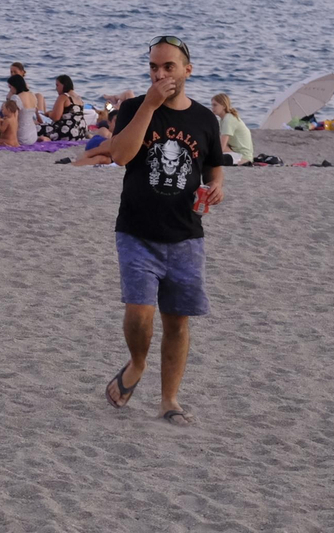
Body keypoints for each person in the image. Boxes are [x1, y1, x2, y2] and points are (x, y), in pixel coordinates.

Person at [102, 36, 225, 427]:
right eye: (153, 67)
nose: (159, 74)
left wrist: (217, 186)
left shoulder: (205, 119)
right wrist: (150, 105)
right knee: (139, 314)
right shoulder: (135, 109)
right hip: (137, 230)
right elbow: (120, 156)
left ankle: (169, 400)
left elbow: (213, 167)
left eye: (168, 67)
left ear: (187, 70)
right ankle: (137, 362)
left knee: (176, 321)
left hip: (186, 236)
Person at [41, 75, 89, 141]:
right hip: (81, 132)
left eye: (57, 85)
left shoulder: (63, 97)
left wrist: (48, 114)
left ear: (64, 85)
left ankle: (47, 139)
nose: (56, 88)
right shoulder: (78, 98)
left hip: (68, 132)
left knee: (38, 128)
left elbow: (56, 117)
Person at [211, 93, 254, 165]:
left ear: (224, 106)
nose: (212, 108)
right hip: (237, 153)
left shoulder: (228, 119)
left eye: (215, 105)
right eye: (212, 105)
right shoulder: (223, 120)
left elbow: (222, 146)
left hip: (243, 157)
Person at [7, 74, 42, 146]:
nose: (10, 90)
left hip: (22, 136)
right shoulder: (32, 95)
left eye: (10, 87)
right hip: (33, 136)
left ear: (15, 86)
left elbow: (14, 119)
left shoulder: (16, 98)